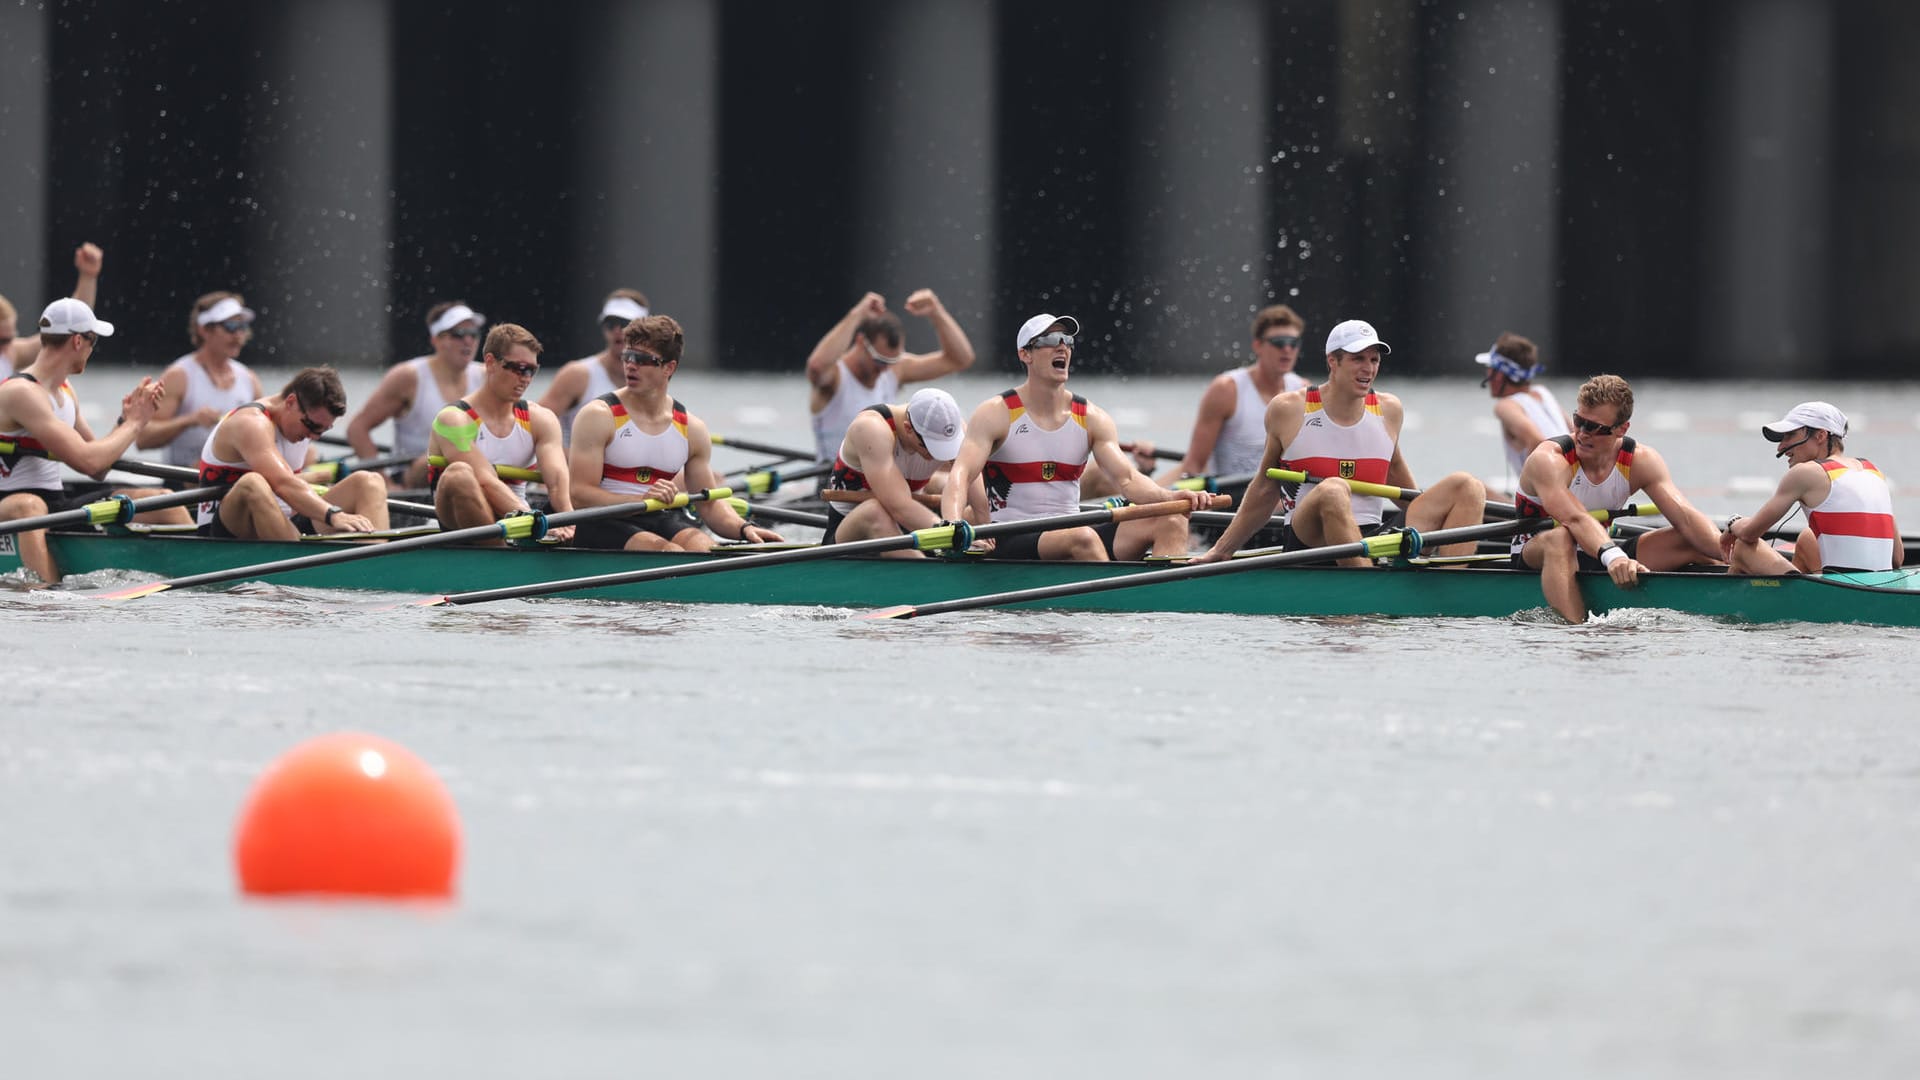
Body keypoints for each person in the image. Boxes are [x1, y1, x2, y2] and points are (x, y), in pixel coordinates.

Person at [1193, 319, 1486, 568]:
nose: (1368, 369)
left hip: (1373, 537)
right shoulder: (1289, 409)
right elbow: (1264, 487)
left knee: (1468, 485)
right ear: (1333, 361)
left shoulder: (1389, 410)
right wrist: (1222, 550)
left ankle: (1451, 584)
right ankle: (1367, 591)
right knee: (1333, 489)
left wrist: (1446, 518)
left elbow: (1404, 491)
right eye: (1358, 359)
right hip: (1309, 539)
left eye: (1374, 360)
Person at [941, 314, 1210, 561]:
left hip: (1072, 530)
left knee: (1172, 519)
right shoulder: (996, 413)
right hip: (1009, 535)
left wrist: (1171, 497)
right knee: (1083, 537)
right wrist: (954, 526)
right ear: (1025, 354)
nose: (1062, 348)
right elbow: (961, 475)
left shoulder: (1092, 417)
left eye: (1068, 341)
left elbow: (1128, 479)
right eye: (1049, 341)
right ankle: (1116, 607)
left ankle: (1164, 603)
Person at [1511, 374, 1724, 622]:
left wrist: (1730, 547)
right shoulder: (1549, 459)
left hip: (1601, 551)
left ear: (1622, 429)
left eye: (1594, 428)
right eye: (1578, 421)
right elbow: (1575, 518)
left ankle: (1746, 592)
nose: (1581, 433)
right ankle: (1577, 633)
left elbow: (1686, 518)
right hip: (1539, 552)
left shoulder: (1640, 460)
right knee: (1561, 537)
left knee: (1689, 539)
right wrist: (1615, 557)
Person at [0, 298, 185, 583]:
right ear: (77, 341)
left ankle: (208, 567)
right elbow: (88, 461)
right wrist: (136, 423)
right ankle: (45, 599)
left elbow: (99, 467)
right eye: (93, 341)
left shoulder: (64, 389)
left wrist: (125, 421)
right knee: (30, 506)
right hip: (12, 506)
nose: (92, 349)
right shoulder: (22, 393)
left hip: (53, 505)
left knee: (162, 500)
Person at [568, 314, 782, 551]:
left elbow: (709, 504)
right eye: (627, 356)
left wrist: (744, 528)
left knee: (706, 550)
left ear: (669, 367)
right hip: (600, 520)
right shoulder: (598, 416)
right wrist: (641, 501)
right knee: (670, 552)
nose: (630, 365)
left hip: (657, 516)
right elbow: (580, 495)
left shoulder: (692, 429)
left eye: (642, 359)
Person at [195, 367, 388, 540]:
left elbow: (289, 484)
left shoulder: (300, 424)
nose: (313, 436)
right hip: (228, 529)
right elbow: (283, 483)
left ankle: (376, 567)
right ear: (291, 402)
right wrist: (334, 514)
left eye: (322, 431)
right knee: (253, 483)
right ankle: (301, 566)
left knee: (369, 481)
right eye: (312, 426)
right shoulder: (251, 423)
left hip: (285, 522)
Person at [427, 323, 575, 543]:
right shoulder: (454, 419)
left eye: (532, 370)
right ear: (490, 362)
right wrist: (533, 519)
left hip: (521, 522)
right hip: (461, 522)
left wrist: (568, 521)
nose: (525, 377)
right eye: (518, 368)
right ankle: (501, 553)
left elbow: (556, 482)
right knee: (459, 475)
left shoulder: (540, 419)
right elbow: (485, 480)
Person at [1721, 401, 1902, 576]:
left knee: (1742, 547)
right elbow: (1896, 558)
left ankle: (1728, 602)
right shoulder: (1873, 470)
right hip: (1878, 586)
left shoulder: (1805, 473)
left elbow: (1749, 533)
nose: (1781, 447)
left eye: (1790, 436)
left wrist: (1733, 522)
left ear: (1821, 436)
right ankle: (1794, 594)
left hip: (1840, 594)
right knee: (1808, 538)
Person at [806, 289, 976, 462]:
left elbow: (960, 359)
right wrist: (857, 315)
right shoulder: (835, 377)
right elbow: (816, 366)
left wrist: (936, 312)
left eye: (891, 361)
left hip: (884, 470)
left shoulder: (895, 369)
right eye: (880, 360)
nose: (885, 369)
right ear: (860, 342)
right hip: (837, 478)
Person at [1160, 304, 1313, 483]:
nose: (1287, 349)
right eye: (1279, 342)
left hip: (1278, 498)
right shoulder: (1227, 390)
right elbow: (1194, 466)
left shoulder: (1304, 391)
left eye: (1293, 343)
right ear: (1258, 346)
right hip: (1231, 497)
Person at [822, 387, 984, 554]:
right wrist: (951, 533)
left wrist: (985, 535)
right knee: (874, 511)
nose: (936, 455)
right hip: (852, 538)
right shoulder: (870, 428)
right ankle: (930, 575)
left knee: (970, 513)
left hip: (913, 530)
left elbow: (981, 505)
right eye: (930, 446)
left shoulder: (954, 432)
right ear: (908, 429)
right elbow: (900, 507)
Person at [346, 301, 487, 487]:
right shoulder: (408, 377)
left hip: (471, 471)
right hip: (416, 476)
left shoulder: (486, 377)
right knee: (445, 450)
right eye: (458, 334)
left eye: (473, 334)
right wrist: (386, 484)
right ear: (436, 340)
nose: (468, 341)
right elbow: (357, 429)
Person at [137, 292, 267, 470]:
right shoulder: (179, 376)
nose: (238, 335)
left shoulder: (250, 379)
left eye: (242, 326)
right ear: (204, 330)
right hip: (185, 481)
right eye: (230, 326)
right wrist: (190, 420)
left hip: (232, 479)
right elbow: (143, 439)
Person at [536, 289, 650, 447]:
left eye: (625, 324)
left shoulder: (653, 380)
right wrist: (559, 459)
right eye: (611, 324)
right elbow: (533, 425)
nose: (617, 330)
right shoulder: (577, 375)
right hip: (573, 469)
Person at [1477, 331, 1571, 491]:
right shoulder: (1543, 393)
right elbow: (1575, 432)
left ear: (1498, 374)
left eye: (1489, 367)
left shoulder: (1506, 405)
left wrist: (1531, 494)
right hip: (1572, 487)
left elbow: (1537, 441)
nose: (1487, 372)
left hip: (1550, 497)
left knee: (1472, 486)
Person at [1, 243, 105, 379]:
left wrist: (88, 277)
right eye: (1, 341)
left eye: (9, 340)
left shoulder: (9, 353)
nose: (6, 348)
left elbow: (71, 325)